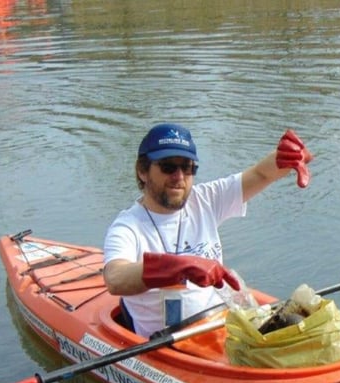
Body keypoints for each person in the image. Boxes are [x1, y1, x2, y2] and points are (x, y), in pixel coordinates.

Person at [103, 123, 313, 338]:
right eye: (168, 167)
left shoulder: (205, 199)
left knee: (301, 323)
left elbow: (261, 174)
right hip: (169, 343)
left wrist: (285, 157)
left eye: (187, 168)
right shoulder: (128, 226)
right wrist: (179, 267)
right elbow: (115, 278)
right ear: (142, 171)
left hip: (218, 327)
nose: (179, 177)